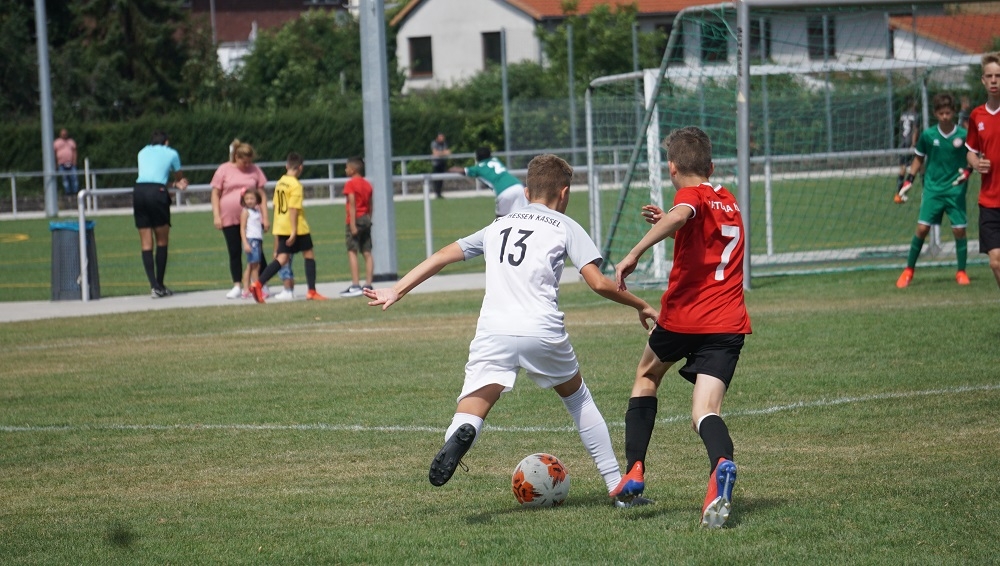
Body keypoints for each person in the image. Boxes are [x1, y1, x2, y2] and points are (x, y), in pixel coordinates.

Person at [363, 154, 658, 505]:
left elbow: (443, 254)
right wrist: (640, 304)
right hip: (541, 329)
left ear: (526, 191)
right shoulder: (565, 226)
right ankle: (617, 488)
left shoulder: (499, 225)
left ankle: (463, 432)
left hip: (494, 331)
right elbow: (597, 282)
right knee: (578, 399)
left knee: (471, 409)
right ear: (564, 193)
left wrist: (397, 289)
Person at [611, 126, 751, 529]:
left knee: (647, 375)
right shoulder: (728, 200)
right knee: (705, 412)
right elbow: (693, 224)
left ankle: (634, 470)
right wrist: (672, 221)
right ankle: (721, 464)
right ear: (711, 166)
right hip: (728, 323)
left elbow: (684, 210)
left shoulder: (688, 196)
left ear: (672, 168)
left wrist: (634, 253)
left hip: (685, 318)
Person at [894, 93, 972, 288]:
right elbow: (918, 158)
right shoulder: (928, 135)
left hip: (955, 190)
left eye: (948, 113)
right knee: (922, 229)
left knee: (959, 230)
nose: (945, 116)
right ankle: (908, 271)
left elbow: (972, 155)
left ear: (953, 112)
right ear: (936, 113)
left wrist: (968, 171)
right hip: (933, 190)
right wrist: (909, 180)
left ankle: (961, 272)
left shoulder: (963, 135)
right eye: (941, 113)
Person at [249, 152, 327, 302]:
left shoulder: (280, 182)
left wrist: (279, 227)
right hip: (297, 227)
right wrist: (294, 231)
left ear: (286, 166)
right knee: (309, 255)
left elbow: (276, 205)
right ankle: (311, 291)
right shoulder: (295, 185)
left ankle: (258, 284)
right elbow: (293, 208)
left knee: (282, 258)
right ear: (300, 168)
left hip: (281, 225)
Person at [133, 130, 188, 298]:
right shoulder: (171, 153)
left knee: (146, 243)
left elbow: (150, 177)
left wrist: (171, 184)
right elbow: (179, 177)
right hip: (157, 193)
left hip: (139, 192)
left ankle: (154, 286)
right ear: (166, 142)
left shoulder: (142, 152)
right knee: (162, 240)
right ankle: (160, 284)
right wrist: (178, 182)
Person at [211, 140, 269, 299]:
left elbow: (262, 195)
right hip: (229, 216)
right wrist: (216, 215)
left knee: (257, 251)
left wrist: (265, 217)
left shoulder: (255, 170)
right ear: (236, 157)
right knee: (234, 250)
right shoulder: (224, 169)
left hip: (252, 218)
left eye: (250, 161)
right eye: (245, 162)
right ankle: (237, 285)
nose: (248, 165)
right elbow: (215, 193)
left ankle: (261, 283)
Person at [966, 52, 1000, 291]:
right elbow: (970, 151)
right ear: (983, 80)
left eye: (998, 75)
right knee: (996, 262)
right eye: (990, 76)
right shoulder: (976, 115)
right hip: (989, 202)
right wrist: (976, 163)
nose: (994, 80)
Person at [450, 147, 528, 217]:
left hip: (503, 191)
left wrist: (449, 169)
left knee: (500, 220)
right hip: (518, 186)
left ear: (477, 157)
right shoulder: (496, 160)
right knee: (522, 216)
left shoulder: (478, 168)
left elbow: (463, 171)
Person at [339, 156, 374, 298]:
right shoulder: (367, 185)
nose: (345, 170)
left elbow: (352, 204)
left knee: (352, 251)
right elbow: (370, 204)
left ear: (353, 169)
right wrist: (369, 218)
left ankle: (355, 285)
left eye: (347, 167)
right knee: (367, 252)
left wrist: (352, 224)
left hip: (355, 219)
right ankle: (368, 284)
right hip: (366, 218)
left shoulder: (350, 184)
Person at [240, 190, 264, 297]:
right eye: (247, 199)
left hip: (257, 239)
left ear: (257, 199)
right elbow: (242, 228)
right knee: (255, 266)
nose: (249, 201)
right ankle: (256, 288)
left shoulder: (257, 211)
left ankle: (247, 289)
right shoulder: (246, 212)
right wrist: (245, 243)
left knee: (251, 265)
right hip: (251, 240)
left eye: (252, 198)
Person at [897, 98, 920, 195]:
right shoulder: (916, 115)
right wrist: (913, 143)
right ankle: (925, 188)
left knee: (902, 166)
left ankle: (899, 190)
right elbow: (915, 130)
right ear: (913, 104)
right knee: (920, 164)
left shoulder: (902, 115)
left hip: (902, 142)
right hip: (910, 142)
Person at [53, 128, 79, 195]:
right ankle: (67, 192)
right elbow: (54, 153)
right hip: (61, 164)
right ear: (60, 134)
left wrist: (75, 161)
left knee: (74, 178)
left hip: (71, 163)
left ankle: (75, 191)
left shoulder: (71, 142)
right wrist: (55, 163)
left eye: (65, 134)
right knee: (65, 179)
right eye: (63, 134)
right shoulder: (56, 142)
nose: (64, 135)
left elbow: (74, 152)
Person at [430, 132, 451, 199]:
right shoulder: (434, 143)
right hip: (436, 164)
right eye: (441, 137)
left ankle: (439, 193)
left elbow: (448, 152)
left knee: (441, 179)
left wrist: (440, 153)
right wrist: (443, 153)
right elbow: (435, 153)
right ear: (437, 138)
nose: (442, 139)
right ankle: (437, 193)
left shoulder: (444, 143)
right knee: (436, 179)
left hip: (442, 163)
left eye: (443, 137)